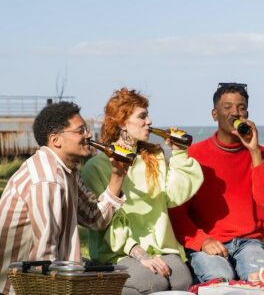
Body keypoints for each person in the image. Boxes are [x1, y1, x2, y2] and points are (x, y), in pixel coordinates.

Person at [0, 102, 127, 295]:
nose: (88, 135)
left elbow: (96, 218)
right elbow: (44, 256)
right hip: (2, 285)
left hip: (30, 273)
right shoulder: (48, 180)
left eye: (87, 129)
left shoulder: (68, 170)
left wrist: (118, 176)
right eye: (80, 131)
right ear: (56, 140)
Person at [82, 88, 203, 294]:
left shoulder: (153, 156)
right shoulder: (96, 167)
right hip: (118, 251)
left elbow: (173, 197)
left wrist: (179, 153)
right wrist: (138, 253)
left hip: (161, 249)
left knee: (182, 281)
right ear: (122, 122)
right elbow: (104, 221)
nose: (150, 121)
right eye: (142, 116)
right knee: (152, 283)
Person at [169, 83, 264, 283]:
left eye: (241, 108)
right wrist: (202, 241)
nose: (235, 113)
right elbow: (176, 211)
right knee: (221, 280)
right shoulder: (193, 156)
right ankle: (197, 270)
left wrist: (254, 152)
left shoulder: (262, 155)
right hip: (209, 241)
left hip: (249, 243)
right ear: (214, 114)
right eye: (227, 108)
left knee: (262, 282)